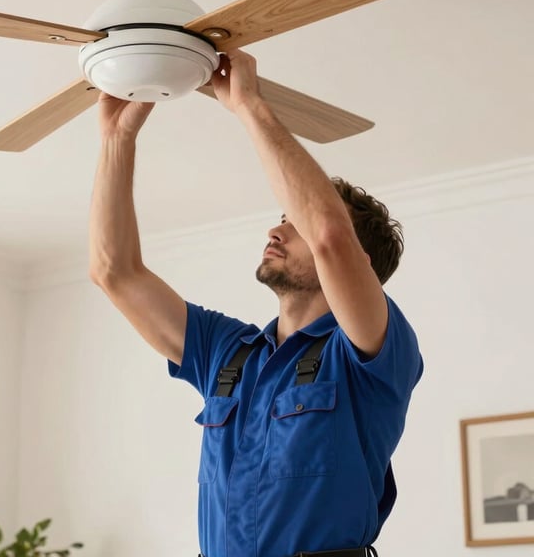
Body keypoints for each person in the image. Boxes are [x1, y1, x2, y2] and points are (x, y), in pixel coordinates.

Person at [88, 48, 423, 557]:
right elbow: (114, 271)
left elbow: (330, 233)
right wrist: (117, 140)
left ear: (360, 267)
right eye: (281, 216)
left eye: (295, 221)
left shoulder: (372, 354)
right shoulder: (228, 352)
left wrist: (249, 104)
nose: (276, 228)